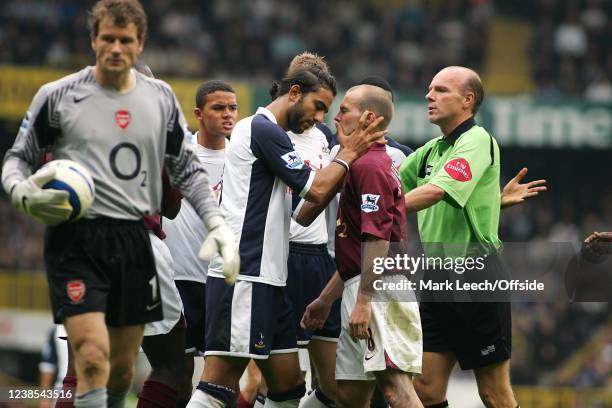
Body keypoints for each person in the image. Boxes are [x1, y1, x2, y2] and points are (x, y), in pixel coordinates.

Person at [1, 1, 238, 406]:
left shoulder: (160, 102)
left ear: (139, 43)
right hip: (77, 241)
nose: (115, 47)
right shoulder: (56, 97)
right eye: (107, 38)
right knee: (90, 360)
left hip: (139, 243)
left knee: (148, 371)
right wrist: (19, 189)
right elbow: (18, 157)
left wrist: (216, 222)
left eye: (125, 40)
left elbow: (184, 180)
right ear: (93, 39)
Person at [187, 68, 386, 408]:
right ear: (294, 93)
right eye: (318, 105)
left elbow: (304, 209)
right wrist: (349, 151)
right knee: (219, 385)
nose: (320, 117)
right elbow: (317, 189)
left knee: (289, 384)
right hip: (245, 272)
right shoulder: (261, 128)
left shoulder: (273, 133)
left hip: (270, 278)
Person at [398, 66, 521, 407]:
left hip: (474, 274)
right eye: (429, 89)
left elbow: (436, 192)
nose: (429, 96)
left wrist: (380, 210)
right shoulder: (432, 150)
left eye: (440, 90)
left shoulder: (477, 140)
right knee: (425, 387)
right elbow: (390, 183)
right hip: (436, 277)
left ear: (467, 100)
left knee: (492, 392)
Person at [302, 85, 423, 408]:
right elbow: (356, 251)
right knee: (350, 394)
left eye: (345, 110)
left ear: (369, 117)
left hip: (379, 291)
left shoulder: (371, 167)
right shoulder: (358, 163)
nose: (336, 116)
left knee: (397, 390)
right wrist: (327, 299)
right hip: (363, 286)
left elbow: (377, 239)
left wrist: (365, 301)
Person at [161, 80, 243, 406]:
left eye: (232, 108)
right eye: (218, 108)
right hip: (177, 278)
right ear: (198, 113)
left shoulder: (242, 159)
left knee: (221, 381)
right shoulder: (179, 155)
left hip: (221, 282)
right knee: (177, 378)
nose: (228, 115)